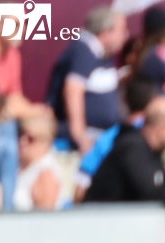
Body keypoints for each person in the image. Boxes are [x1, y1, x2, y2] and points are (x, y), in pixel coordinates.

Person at [85, 96, 165, 206]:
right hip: (100, 222)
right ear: (163, 129)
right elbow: (152, 193)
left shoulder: (151, 152)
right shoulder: (133, 148)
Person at [47, 6, 126, 153]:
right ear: (106, 32)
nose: (125, 36)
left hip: (104, 136)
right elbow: (73, 90)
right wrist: (80, 135)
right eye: (121, 30)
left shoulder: (102, 54)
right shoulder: (83, 49)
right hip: (79, 142)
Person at [13, 109, 66, 210]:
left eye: (30, 138)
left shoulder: (45, 174)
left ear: (45, 142)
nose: (22, 142)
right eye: (20, 135)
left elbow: (45, 217)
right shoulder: (22, 166)